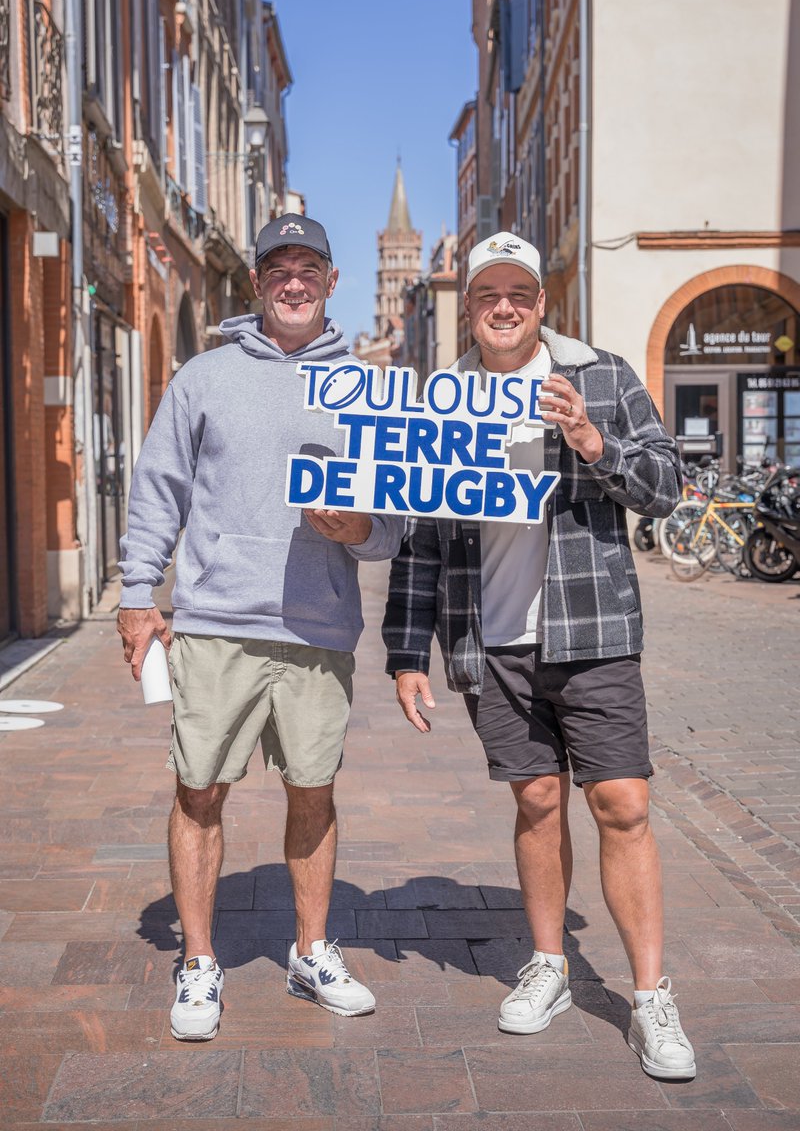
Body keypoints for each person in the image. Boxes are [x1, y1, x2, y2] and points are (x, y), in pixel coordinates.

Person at [382, 231, 696, 1080]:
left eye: (520, 291)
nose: (505, 306)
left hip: (591, 631)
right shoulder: (440, 398)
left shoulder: (601, 376)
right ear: (472, 306)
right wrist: (409, 651)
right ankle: (550, 966)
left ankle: (650, 995)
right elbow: (419, 534)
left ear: (542, 302)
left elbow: (666, 488)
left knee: (623, 804)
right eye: (489, 293)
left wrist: (594, 442)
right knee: (535, 802)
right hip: (493, 637)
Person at [118, 214, 402, 1040]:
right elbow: (157, 491)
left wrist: (362, 532)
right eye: (278, 266)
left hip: (319, 624)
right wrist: (140, 596)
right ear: (257, 282)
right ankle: (199, 962)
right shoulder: (203, 377)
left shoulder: (365, 386)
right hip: (214, 621)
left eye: (308, 265)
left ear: (331, 280)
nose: (293, 280)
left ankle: (312, 948)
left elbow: (395, 519)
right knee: (199, 789)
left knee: (312, 790)